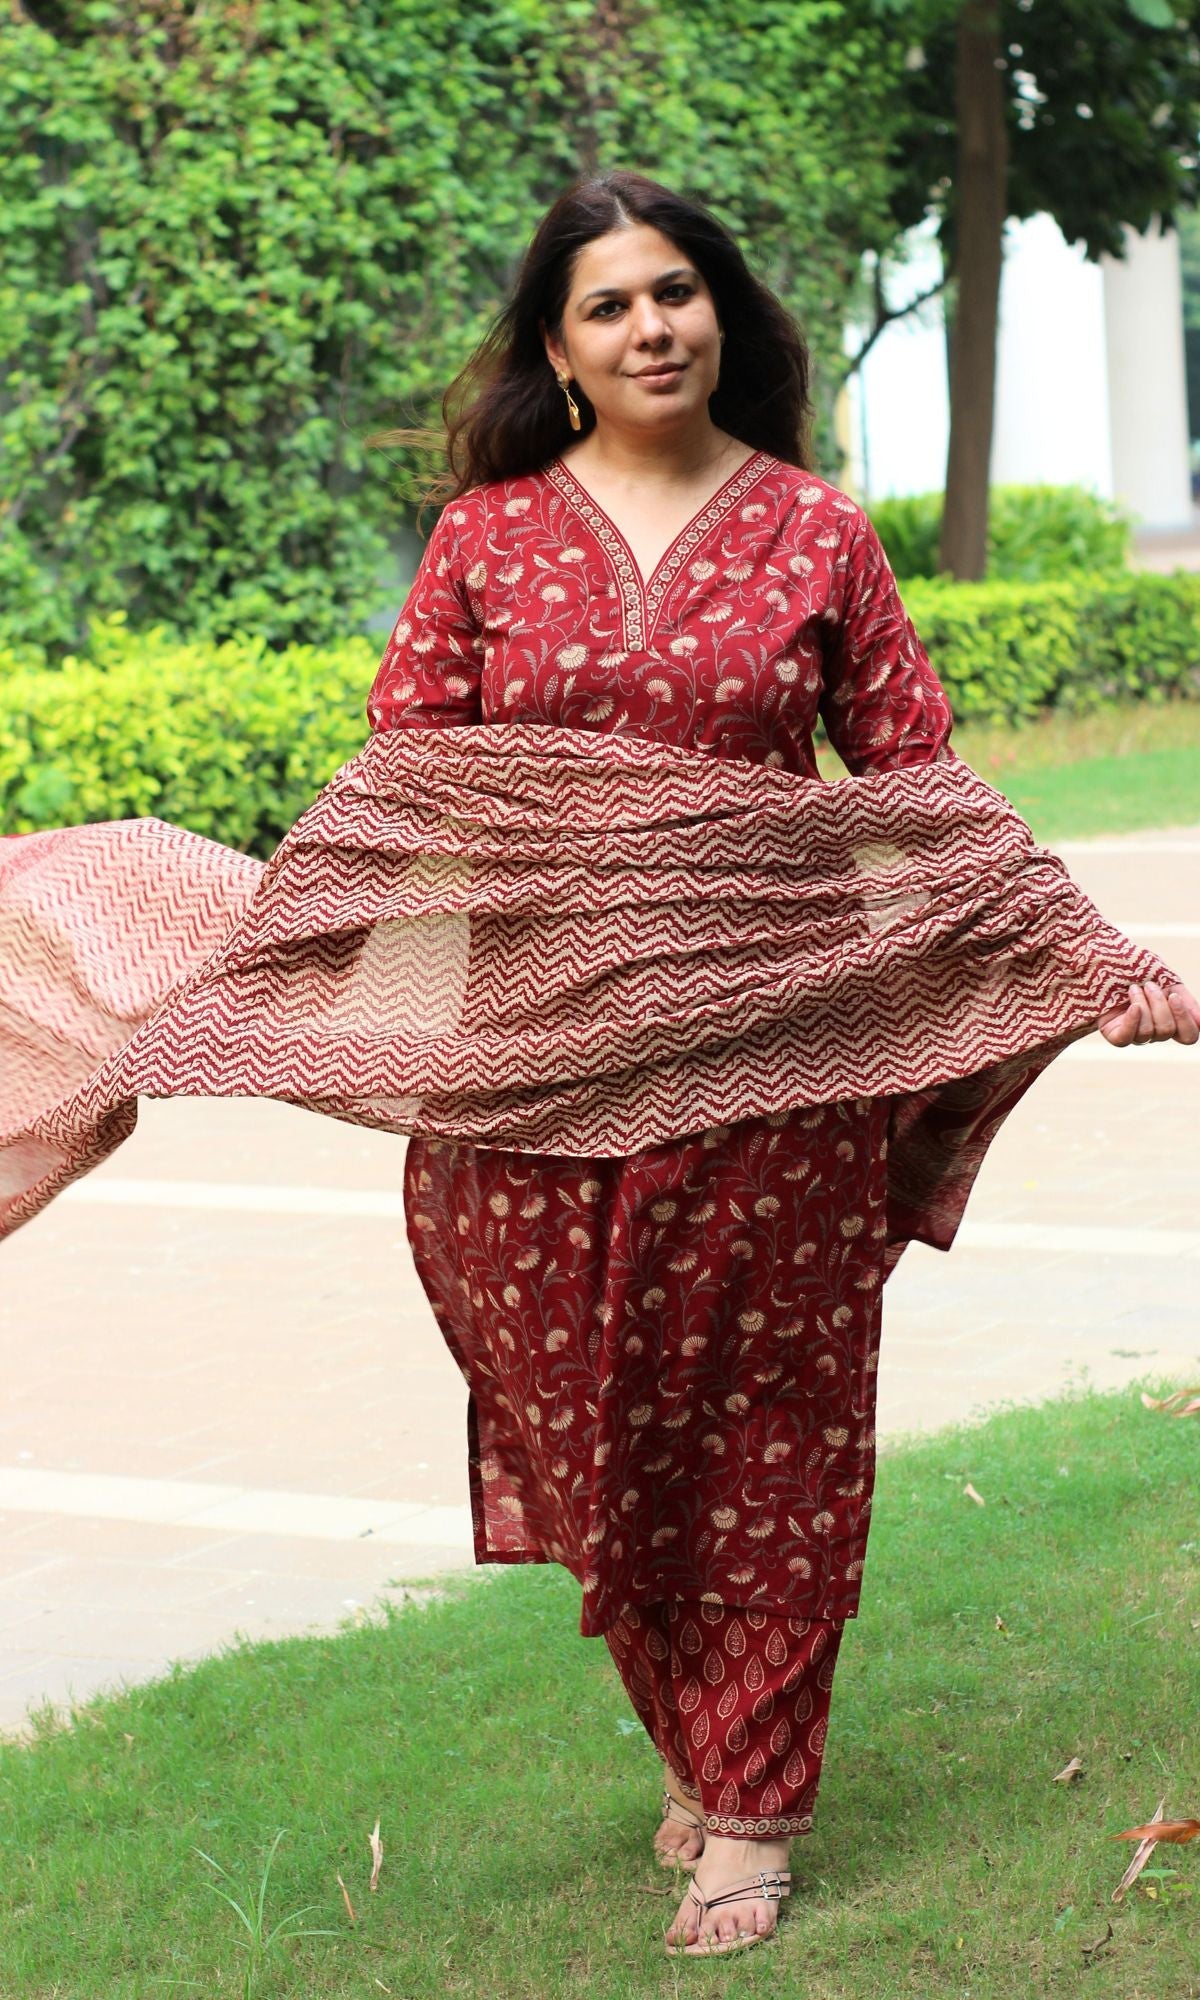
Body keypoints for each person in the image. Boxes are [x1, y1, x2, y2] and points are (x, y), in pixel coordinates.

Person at [362, 169, 1200, 1955]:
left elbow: (916, 789)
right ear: (557, 349)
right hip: (543, 1062)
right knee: (584, 1419)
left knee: (769, 1425)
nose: (652, 325)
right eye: (609, 304)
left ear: (722, 313)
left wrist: (1081, 950)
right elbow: (405, 798)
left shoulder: (817, 531)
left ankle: (748, 1798)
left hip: (781, 1063)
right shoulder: (485, 539)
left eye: (677, 291)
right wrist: (318, 999)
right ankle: (695, 1723)